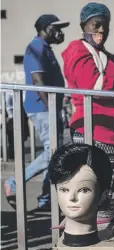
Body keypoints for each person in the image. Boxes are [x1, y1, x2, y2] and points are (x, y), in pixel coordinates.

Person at [61, 2, 114, 208]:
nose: (101, 30)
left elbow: (112, 80)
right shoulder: (78, 48)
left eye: (105, 26)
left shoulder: (103, 54)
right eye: (96, 24)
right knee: (101, 194)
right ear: (84, 25)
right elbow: (93, 84)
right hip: (97, 132)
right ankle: (97, 236)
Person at [3, 14, 69, 210]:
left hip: (48, 106)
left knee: (54, 153)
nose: (60, 32)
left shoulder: (45, 48)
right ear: (45, 28)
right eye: (56, 28)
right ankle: (14, 183)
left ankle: (46, 200)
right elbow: (38, 80)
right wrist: (52, 108)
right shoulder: (36, 48)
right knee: (52, 152)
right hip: (42, 107)